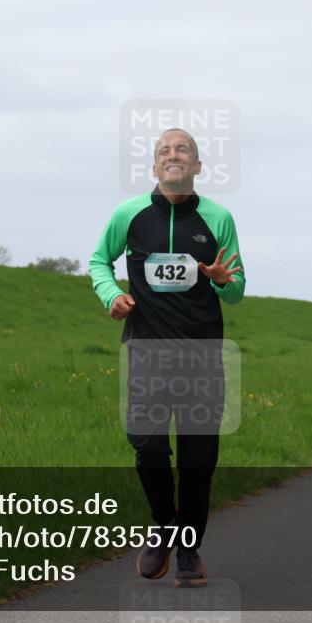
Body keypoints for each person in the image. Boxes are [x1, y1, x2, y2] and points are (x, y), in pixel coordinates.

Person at [89, 128, 244, 588]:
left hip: (201, 357)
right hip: (146, 354)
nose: (173, 156)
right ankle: (164, 527)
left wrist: (219, 278)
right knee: (149, 447)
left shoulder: (218, 218)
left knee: (199, 460)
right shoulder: (129, 214)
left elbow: (236, 292)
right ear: (154, 167)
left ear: (197, 166)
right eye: (164, 151)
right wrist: (109, 294)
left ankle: (189, 550)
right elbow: (100, 260)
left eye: (183, 150)